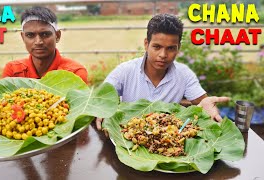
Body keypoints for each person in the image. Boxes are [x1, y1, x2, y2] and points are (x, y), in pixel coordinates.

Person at [96, 14, 229, 131]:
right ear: (146, 44)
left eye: (171, 48)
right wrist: (100, 107)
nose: (163, 55)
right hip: (128, 141)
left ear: (178, 48)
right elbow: (101, 97)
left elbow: (204, 102)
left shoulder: (184, 74)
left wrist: (208, 105)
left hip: (167, 144)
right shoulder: (125, 71)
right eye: (157, 47)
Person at [2, 6, 88, 83]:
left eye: (45, 34)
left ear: (57, 36)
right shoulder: (13, 71)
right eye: (30, 35)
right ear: (23, 37)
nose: (38, 42)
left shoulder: (75, 73)